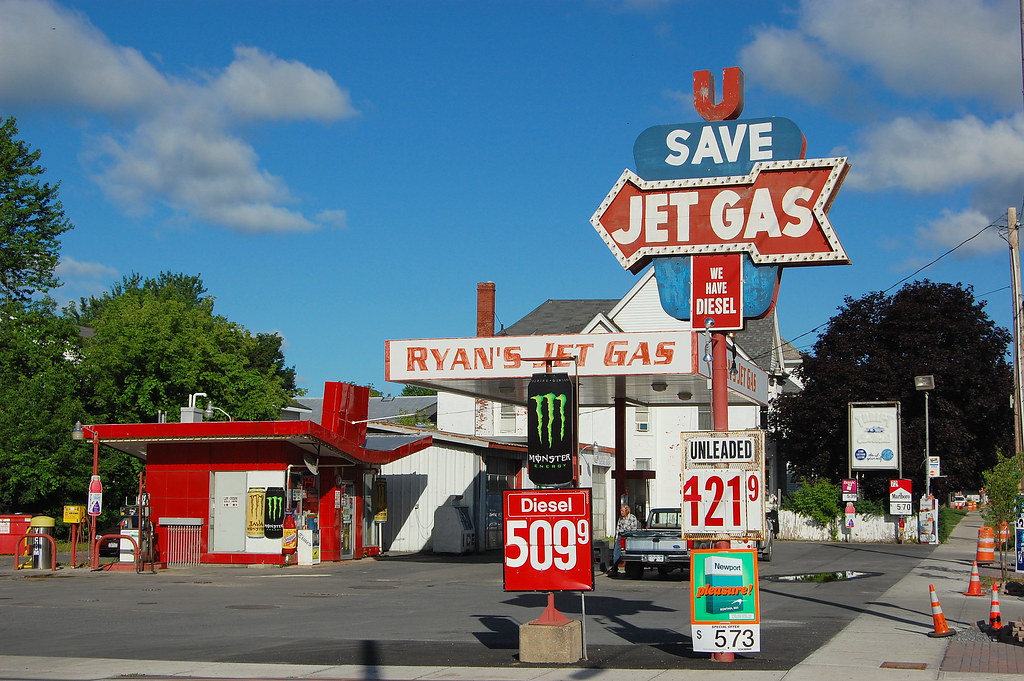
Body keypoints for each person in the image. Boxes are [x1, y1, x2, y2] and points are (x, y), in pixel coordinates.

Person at [607, 503, 639, 576]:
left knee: (628, 553)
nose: (621, 512)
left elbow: (634, 529)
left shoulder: (632, 518)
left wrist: (627, 534)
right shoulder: (620, 518)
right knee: (616, 553)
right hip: (620, 536)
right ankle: (614, 569)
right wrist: (616, 537)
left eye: (622, 511)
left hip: (629, 537)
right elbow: (618, 528)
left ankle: (629, 569)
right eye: (621, 511)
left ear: (627, 511)